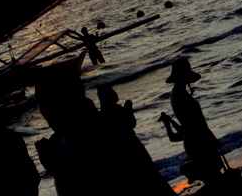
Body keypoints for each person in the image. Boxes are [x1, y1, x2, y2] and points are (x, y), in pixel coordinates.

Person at [33, 63, 176, 196]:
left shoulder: (116, 137)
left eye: (47, 102)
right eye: (40, 103)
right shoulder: (60, 156)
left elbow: (151, 184)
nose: (43, 111)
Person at [159, 58, 224, 188]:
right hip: (199, 141)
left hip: (196, 141)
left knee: (214, 176)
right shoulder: (180, 96)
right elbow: (193, 125)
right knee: (214, 175)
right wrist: (209, 137)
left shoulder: (177, 94)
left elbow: (188, 125)